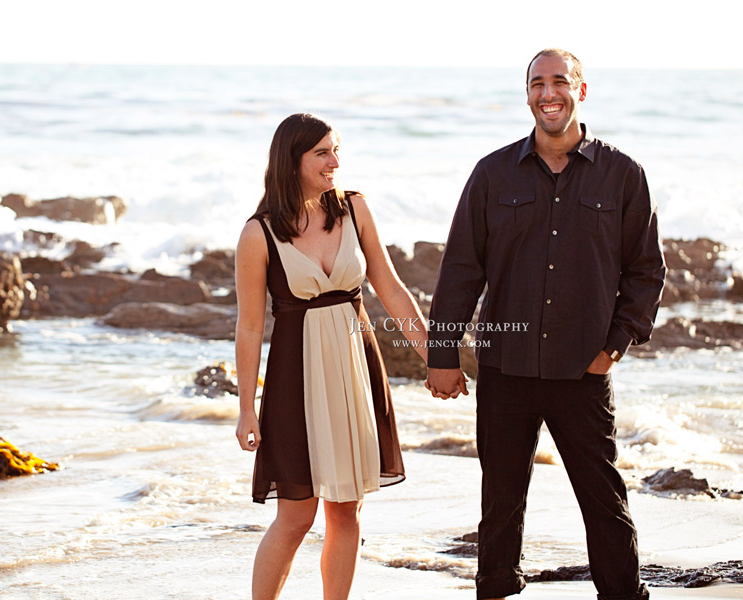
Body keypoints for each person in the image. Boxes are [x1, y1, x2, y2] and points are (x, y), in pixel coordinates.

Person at [426, 49, 665, 600]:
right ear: (527, 94)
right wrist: (443, 357)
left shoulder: (623, 174)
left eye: (560, 81)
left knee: (604, 502)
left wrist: (615, 346)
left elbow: (647, 271)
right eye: (538, 83)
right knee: (500, 504)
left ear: (582, 91)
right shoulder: (491, 173)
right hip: (505, 370)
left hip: (583, 371)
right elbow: (462, 268)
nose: (548, 93)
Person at [235, 113, 428, 600]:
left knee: (346, 508)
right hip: (295, 380)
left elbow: (390, 287)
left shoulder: (354, 208)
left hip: (354, 368)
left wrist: (435, 355)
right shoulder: (258, 234)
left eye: (336, 149)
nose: (335, 162)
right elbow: (251, 326)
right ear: (292, 159)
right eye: (322, 152)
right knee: (297, 515)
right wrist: (245, 408)